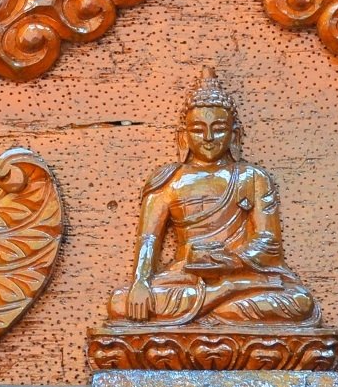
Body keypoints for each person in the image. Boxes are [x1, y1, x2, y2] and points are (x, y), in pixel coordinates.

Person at [108, 72, 318, 326]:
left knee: (299, 302)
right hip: (185, 276)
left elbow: (268, 242)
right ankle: (223, 295)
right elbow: (149, 239)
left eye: (218, 129)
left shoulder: (252, 177)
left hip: (242, 274)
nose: (208, 138)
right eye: (198, 129)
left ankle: (218, 297)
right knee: (120, 302)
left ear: (234, 134)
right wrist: (141, 282)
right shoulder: (169, 180)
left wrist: (231, 260)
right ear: (183, 135)